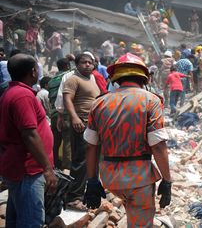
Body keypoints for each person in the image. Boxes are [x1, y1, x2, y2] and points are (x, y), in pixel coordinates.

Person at [83, 53, 171, 227]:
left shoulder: (99, 103)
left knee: (129, 208)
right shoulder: (151, 100)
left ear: (116, 78)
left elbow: (90, 146)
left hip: (110, 178)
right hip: (140, 178)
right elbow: (158, 146)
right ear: (144, 78)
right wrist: (167, 181)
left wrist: (92, 180)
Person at [0, 53, 57, 227]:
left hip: (21, 167)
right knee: (30, 221)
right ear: (33, 71)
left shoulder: (13, 92)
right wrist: (47, 169)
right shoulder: (22, 96)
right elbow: (29, 134)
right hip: (29, 170)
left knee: (17, 219)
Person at [63, 53, 101, 210]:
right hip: (81, 123)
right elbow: (67, 99)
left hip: (92, 124)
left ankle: (86, 192)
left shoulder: (91, 79)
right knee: (80, 161)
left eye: (90, 62)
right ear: (77, 64)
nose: (87, 65)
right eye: (84, 62)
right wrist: (74, 118)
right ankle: (73, 198)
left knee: (91, 159)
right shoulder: (73, 79)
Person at [48, 58, 72, 170]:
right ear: (68, 66)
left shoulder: (51, 81)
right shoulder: (68, 76)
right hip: (65, 113)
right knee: (67, 140)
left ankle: (54, 163)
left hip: (53, 114)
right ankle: (67, 167)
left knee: (55, 142)